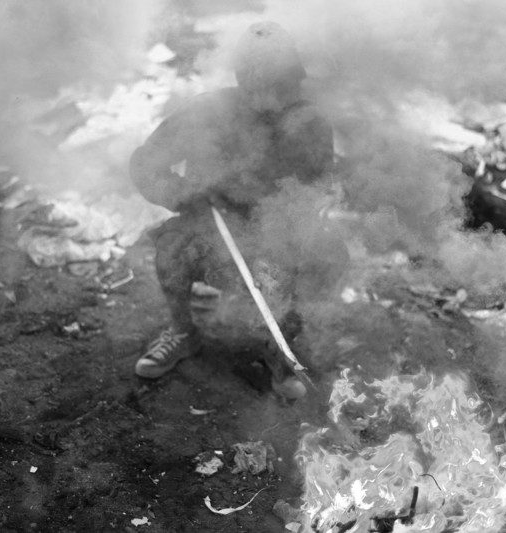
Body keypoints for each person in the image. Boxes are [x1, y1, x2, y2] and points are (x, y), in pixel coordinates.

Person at [130, 21, 345, 399]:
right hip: (209, 227)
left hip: (273, 234)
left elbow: (318, 188)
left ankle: (281, 348)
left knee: (317, 256)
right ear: (244, 78)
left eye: (283, 85)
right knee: (174, 247)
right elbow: (146, 162)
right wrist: (183, 194)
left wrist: (291, 226)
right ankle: (184, 333)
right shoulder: (207, 112)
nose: (276, 97)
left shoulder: (309, 124)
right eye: (265, 83)